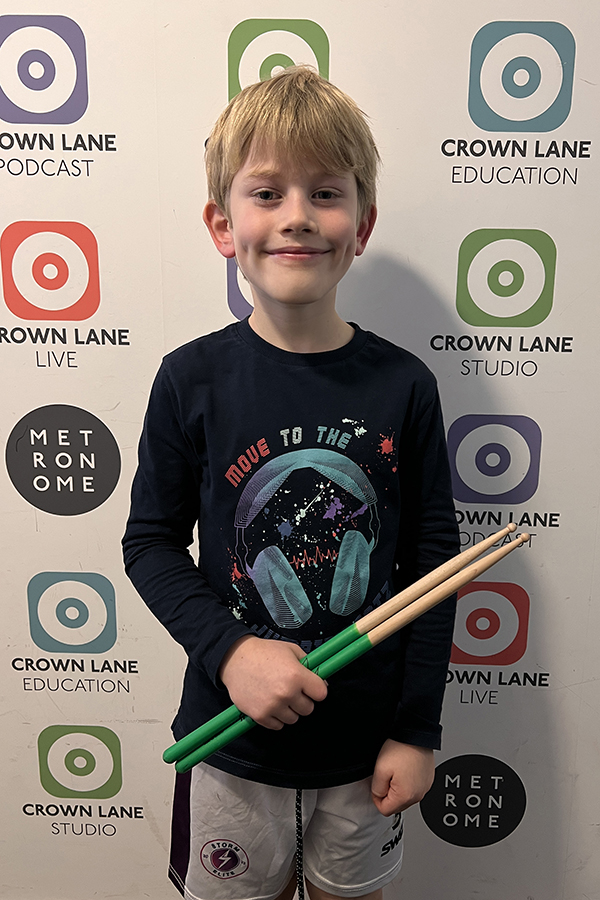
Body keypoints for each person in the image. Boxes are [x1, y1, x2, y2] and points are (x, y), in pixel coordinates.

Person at [123, 66, 459, 900]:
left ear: (362, 223)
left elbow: (432, 562)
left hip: (366, 752)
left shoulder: (405, 386)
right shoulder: (188, 380)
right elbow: (151, 544)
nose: (298, 217)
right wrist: (232, 650)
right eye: (266, 193)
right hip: (227, 744)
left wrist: (416, 730)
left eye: (326, 193)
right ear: (222, 224)